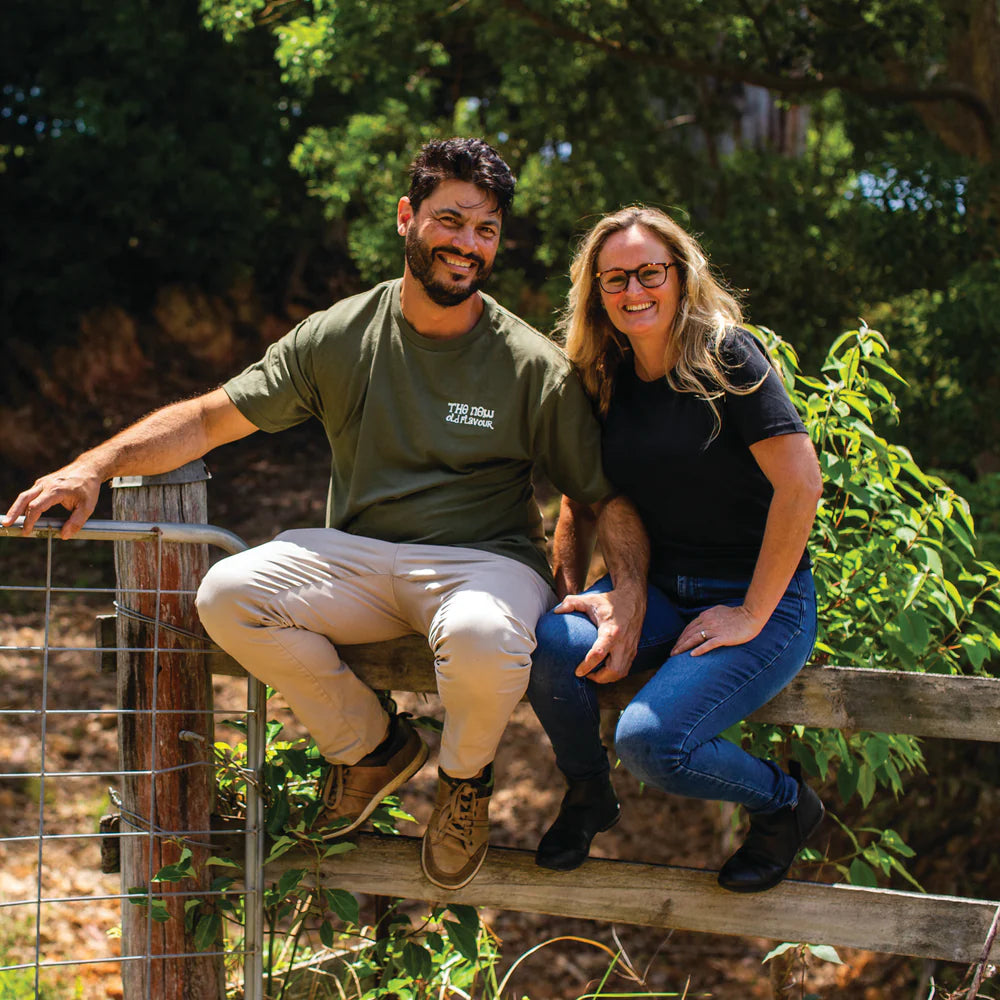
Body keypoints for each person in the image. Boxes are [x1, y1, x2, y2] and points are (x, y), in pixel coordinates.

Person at [2, 138, 647, 892]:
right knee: (226, 594)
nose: (468, 245)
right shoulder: (341, 335)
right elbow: (211, 418)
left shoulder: (528, 362)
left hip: (487, 564)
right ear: (406, 217)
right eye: (451, 221)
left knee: (479, 638)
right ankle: (372, 747)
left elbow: (602, 495)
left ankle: (464, 782)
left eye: (486, 230)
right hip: (360, 556)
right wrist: (93, 466)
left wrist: (627, 591)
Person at [527, 205, 824, 893]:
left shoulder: (727, 356)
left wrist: (750, 613)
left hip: (764, 603)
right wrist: (568, 587)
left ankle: (783, 805)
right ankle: (588, 795)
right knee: (547, 645)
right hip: (659, 593)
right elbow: (582, 496)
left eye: (649, 273)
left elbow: (801, 484)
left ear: (681, 275)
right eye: (615, 279)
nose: (634, 292)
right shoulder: (605, 373)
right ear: (595, 293)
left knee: (649, 741)